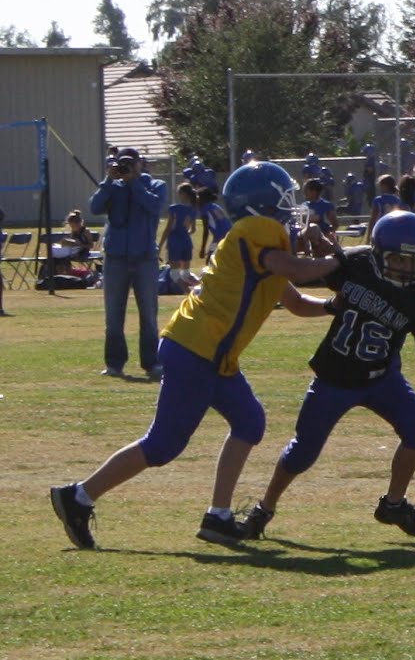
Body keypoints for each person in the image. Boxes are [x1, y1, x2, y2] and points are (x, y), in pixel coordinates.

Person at [49, 161, 345, 550]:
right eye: (285, 200)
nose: (293, 209)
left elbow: (295, 300)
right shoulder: (256, 233)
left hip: (211, 352)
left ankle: (218, 516)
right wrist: (344, 262)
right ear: (261, 205)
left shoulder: (264, 245)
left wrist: (337, 306)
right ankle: (78, 496)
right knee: (162, 445)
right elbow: (298, 271)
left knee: (249, 421)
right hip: (197, 349)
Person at [241, 211, 415, 541]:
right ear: (378, 253)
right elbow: (311, 271)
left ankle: (394, 504)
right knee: (303, 452)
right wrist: (315, 242)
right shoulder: (357, 264)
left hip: (381, 378)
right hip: (334, 377)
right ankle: (264, 508)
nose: (408, 268)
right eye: (399, 259)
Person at [88, 147, 169, 379]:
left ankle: (151, 363)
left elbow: (154, 206)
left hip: (144, 259)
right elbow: (95, 207)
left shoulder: (155, 186)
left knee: (149, 315)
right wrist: (107, 180)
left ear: (139, 164)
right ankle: (114, 364)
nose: (125, 168)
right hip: (115, 260)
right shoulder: (112, 187)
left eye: (129, 164)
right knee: (113, 316)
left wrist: (133, 182)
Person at [159, 182, 199, 292]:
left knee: (174, 274)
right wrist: (184, 233)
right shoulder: (193, 209)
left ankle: (190, 293)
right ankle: (204, 287)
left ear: (182, 194)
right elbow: (193, 229)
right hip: (186, 241)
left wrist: (160, 245)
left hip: (175, 242)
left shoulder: (174, 208)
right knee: (186, 274)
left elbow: (168, 228)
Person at [195, 185, 232, 262]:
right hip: (229, 234)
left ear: (203, 199)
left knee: (210, 261)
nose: (196, 199)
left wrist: (202, 248)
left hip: (220, 237)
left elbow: (206, 231)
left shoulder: (205, 210)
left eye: (197, 197)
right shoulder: (215, 206)